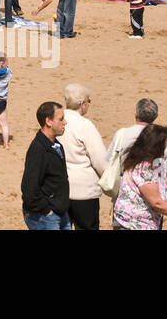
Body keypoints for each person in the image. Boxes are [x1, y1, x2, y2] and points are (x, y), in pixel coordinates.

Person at [112, 124, 167, 229]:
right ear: (157, 147)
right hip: (132, 224)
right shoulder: (143, 169)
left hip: (149, 222)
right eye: (165, 142)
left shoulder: (156, 163)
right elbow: (157, 203)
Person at [61, 83, 108, 230]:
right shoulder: (85, 125)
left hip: (60, 189)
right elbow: (100, 160)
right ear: (82, 104)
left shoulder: (56, 121)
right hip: (84, 192)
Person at [21, 101, 71, 230]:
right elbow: (29, 188)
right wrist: (46, 210)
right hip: (45, 217)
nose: (65, 122)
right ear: (48, 121)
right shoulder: (38, 149)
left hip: (59, 212)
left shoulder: (56, 145)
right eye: (61, 119)